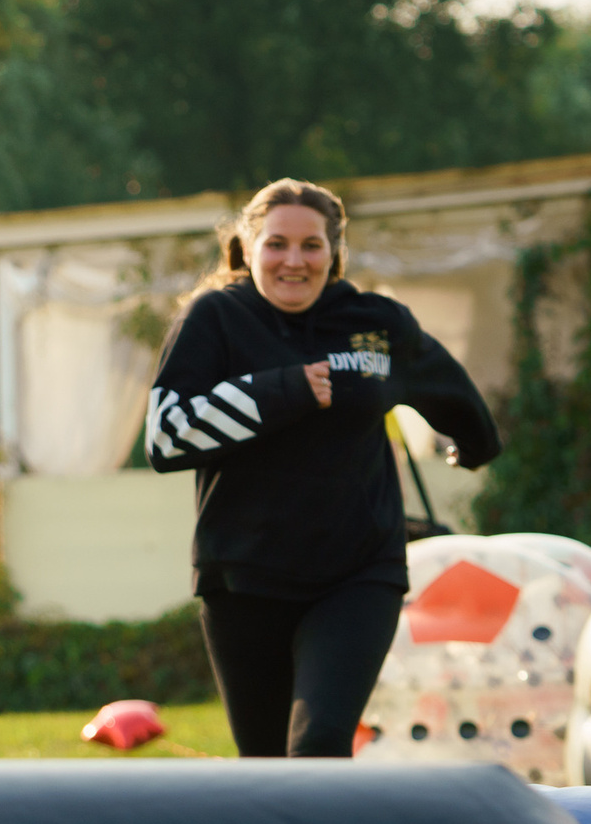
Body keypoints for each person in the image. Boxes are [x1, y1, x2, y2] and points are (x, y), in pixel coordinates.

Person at [146, 178, 500, 757]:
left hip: (357, 573)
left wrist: (475, 443)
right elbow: (166, 437)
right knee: (266, 767)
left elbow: (446, 386)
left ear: (335, 253)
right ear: (249, 247)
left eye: (311, 245)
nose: (295, 260)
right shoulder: (214, 318)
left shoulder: (375, 324)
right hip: (244, 579)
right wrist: (283, 390)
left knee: (320, 744)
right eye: (277, 244)